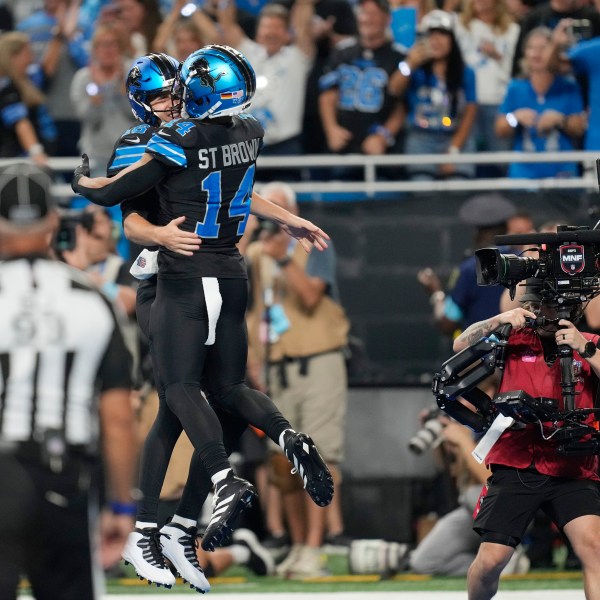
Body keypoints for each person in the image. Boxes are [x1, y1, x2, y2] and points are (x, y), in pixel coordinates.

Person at [71, 43, 334, 580]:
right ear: (144, 103)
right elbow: (132, 223)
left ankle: (169, 527)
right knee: (186, 395)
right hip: (167, 275)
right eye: (160, 97)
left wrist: (83, 183)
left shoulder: (183, 135)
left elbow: (232, 191)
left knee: (187, 398)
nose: (170, 103)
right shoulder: (153, 140)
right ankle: (160, 528)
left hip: (193, 274)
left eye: (175, 93)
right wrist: (162, 233)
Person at [0, 162, 138, 600]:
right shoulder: (93, 300)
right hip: (63, 476)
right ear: (54, 222)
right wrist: (121, 504)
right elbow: (117, 417)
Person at [452, 280, 600, 600]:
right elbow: (460, 345)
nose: (549, 313)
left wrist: (583, 347)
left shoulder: (588, 342)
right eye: (544, 305)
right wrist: (498, 320)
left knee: (594, 550)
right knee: (492, 560)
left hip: (572, 465)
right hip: (519, 461)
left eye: (558, 306)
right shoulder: (513, 338)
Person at [245, 181, 350, 579]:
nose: (271, 220)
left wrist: (285, 258)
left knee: (320, 454)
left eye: (277, 212)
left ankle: (315, 546)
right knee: (282, 459)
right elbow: (249, 304)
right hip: (277, 367)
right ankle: (296, 543)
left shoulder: (312, 245)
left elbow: (310, 298)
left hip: (318, 363)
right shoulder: (257, 253)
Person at [389, 10, 478, 180]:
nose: (436, 41)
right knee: (421, 187)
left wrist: (454, 149)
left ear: (453, 39)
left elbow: (470, 111)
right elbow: (394, 89)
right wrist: (410, 64)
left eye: (443, 35)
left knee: (458, 185)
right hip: (421, 136)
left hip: (455, 134)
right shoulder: (414, 70)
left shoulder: (466, 73)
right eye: (431, 35)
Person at [318, 0, 405, 167]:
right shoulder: (342, 51)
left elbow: (402, 105)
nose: (367, 19)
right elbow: (328, 95)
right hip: (343, 145)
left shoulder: (399, 56)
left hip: (382, 150)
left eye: (373, 14)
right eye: (363, 14)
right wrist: (331, 129)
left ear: (387, 19)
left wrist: (383, 136)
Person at [495, 26, 586, 179]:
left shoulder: (568, 87)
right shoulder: (516, 88)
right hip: (523, 177)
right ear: (525, 53)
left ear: (554, 52)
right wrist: (515, 118)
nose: (536, 53)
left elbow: (579, 127)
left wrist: (560, 120)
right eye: (531, 48)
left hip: (562, 176)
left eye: (542, 48)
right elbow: (500, 129)